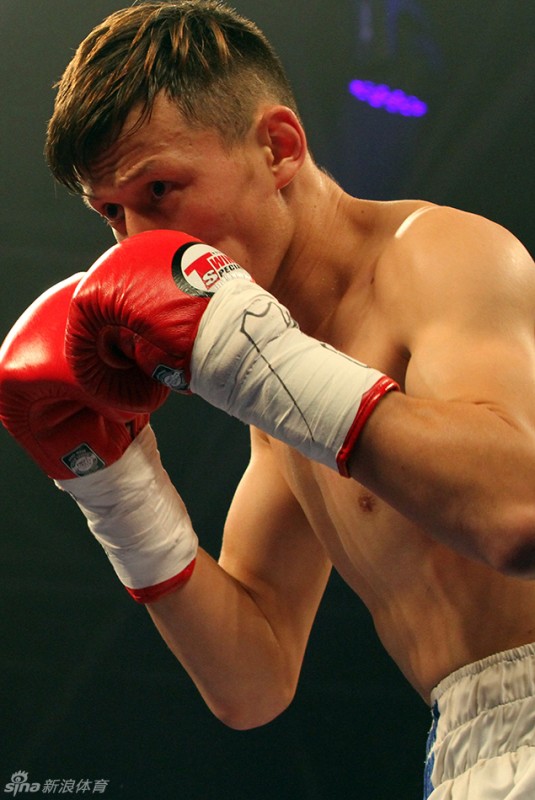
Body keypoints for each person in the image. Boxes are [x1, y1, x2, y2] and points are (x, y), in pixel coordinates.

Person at [1, 2, 535, 797]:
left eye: (160, 189)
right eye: (112, 212)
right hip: (463, 746)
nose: (137, 242)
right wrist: (116, 489)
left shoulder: (437, 256)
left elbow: (518, 513)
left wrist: (264, 362)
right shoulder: (282, 391)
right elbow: (252, 681)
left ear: (277, 148)